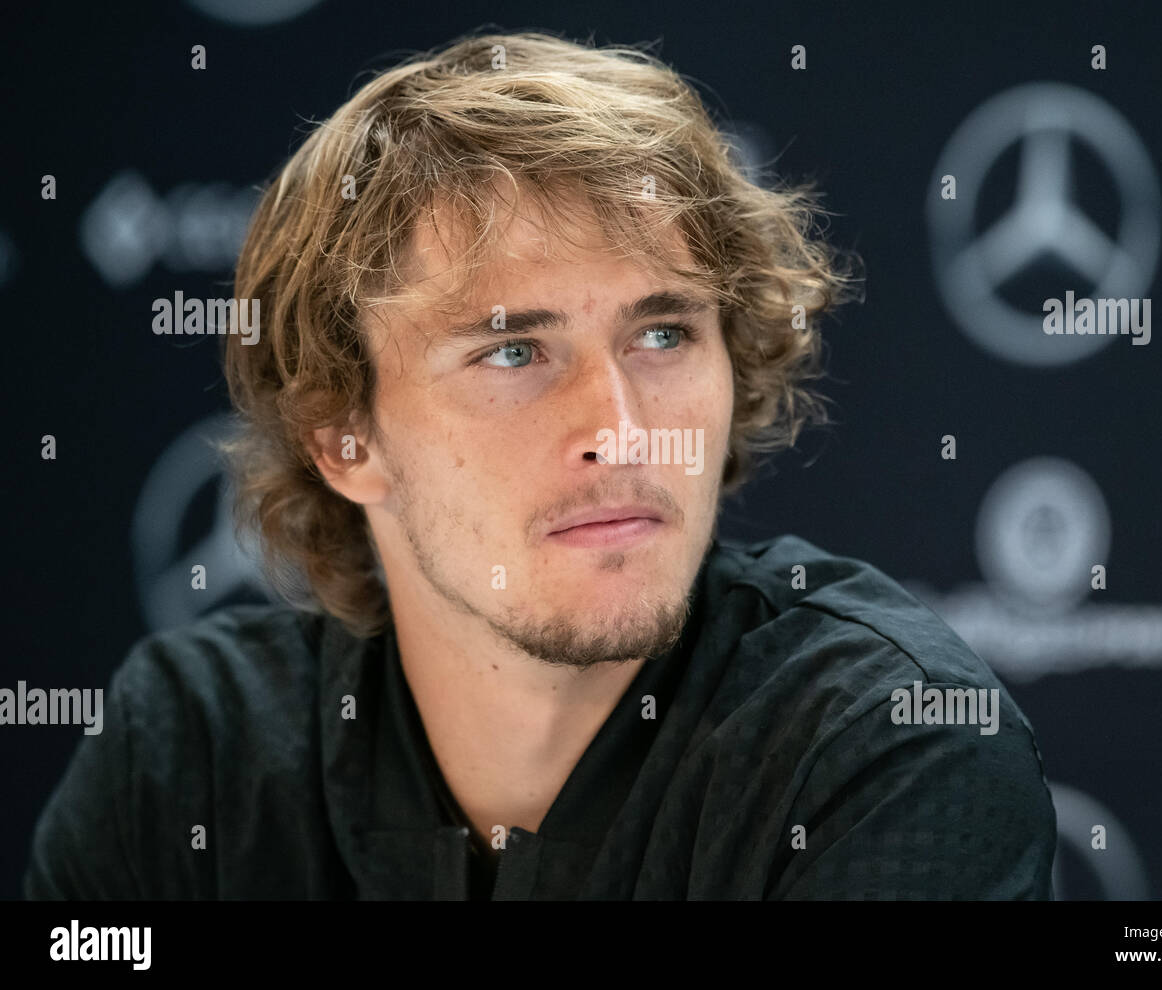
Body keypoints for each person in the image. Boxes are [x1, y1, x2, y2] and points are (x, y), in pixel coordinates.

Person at [24, 28, 1055, 900]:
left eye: (662, 336)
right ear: (344, 438)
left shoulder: (884, 746)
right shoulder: (191, 756)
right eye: (514, 352)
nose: (620, 426)